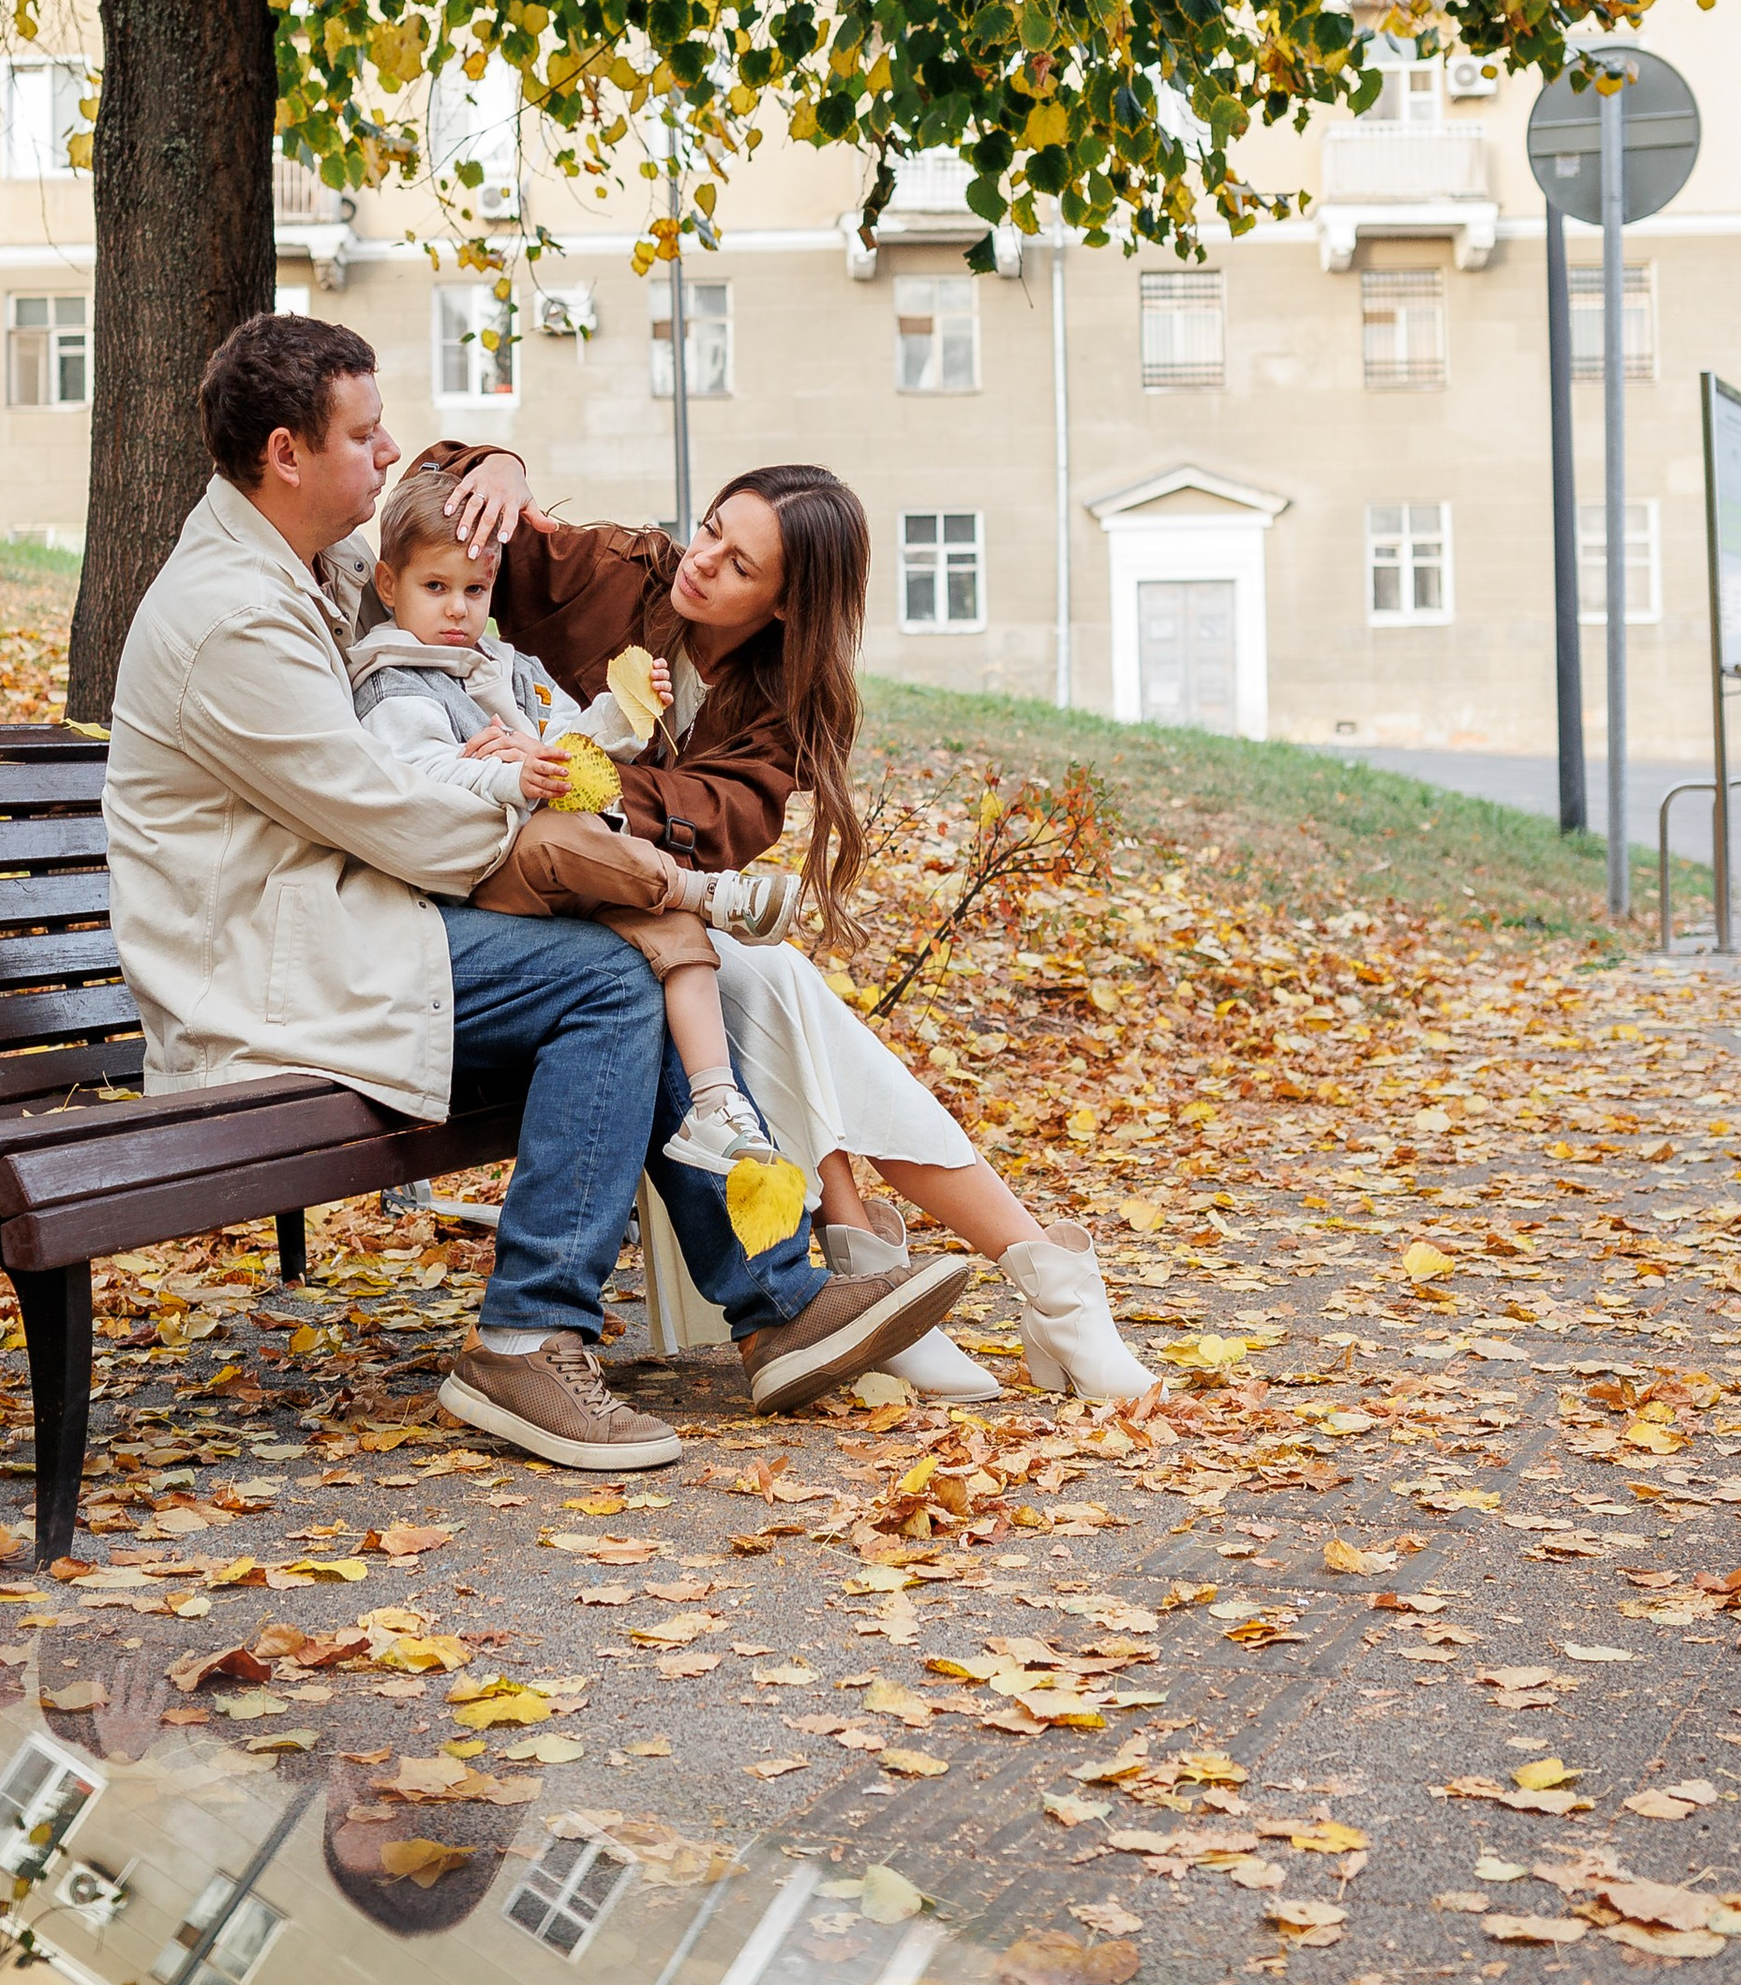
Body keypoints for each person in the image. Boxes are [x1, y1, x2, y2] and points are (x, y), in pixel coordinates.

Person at [101, 312, 975, 1475]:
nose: (390, 449)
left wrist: (498, 472)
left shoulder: (316, 566)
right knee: (608, 983)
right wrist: (543, 805)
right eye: (365, 435)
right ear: (286, 453)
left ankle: (774, 1311)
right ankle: (529, 1336)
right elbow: (397, 817)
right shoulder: (234, 616)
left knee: (625, 976)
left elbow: (449, 547)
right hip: (268, 966)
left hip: (344, 919)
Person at [426, 441, 1160, 1410]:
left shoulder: (776, 704)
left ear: (781, 605)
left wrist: (583, 777)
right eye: (711, 530)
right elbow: (434, 516)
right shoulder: (622, 572)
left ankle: (893, 1266)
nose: (701, 560)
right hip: (495, 888)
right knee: (765, 979)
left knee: (766, 981)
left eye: (737, 564)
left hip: (619, 907)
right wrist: (495, 463)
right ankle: (1030, 1274)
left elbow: (721, 818)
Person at [350, 456, 796, 1175]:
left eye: (475, 589)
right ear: (389, 586)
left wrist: (624, 712)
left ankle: (715, 1106)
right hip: (476, 871)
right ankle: (707, 893)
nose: (458, 609)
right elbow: (410, 777)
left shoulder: (503, 663)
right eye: (436, 589)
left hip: (538, 862)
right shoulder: (395, 679)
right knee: (579, 847)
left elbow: (567, 741)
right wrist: (503, 774)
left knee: (665, 926)